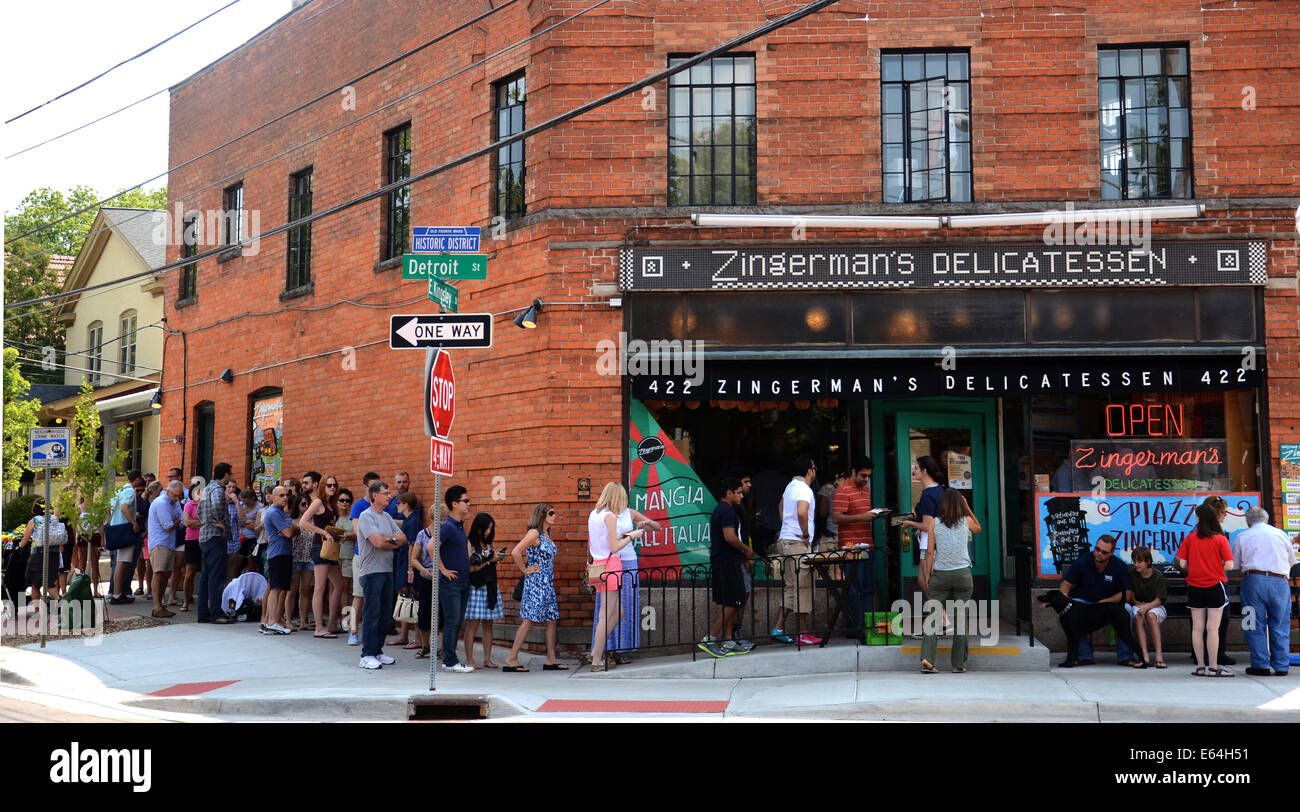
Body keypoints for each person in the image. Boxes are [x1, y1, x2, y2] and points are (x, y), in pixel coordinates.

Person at [589, 482, 661, 664]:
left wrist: (647, 523)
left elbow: (657, 527)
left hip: (620, 563)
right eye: (622, 497)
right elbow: (610, 545)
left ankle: (614, 651)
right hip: (612, 563)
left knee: (621, 609)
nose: (624, 501)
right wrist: (631, 536)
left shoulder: (619, 513)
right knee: (608, 611)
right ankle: (601, 653)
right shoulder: (608, 516)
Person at [1056, 534, 1142, 668]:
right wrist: (1063, 600)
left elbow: (1128, 594)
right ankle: (1084, 656)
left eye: (1104, 552)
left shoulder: (1119, 566)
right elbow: (1066, 584)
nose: (1098, 554)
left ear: (1112, 553)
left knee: (1128, 610)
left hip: (1109, 604)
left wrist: (1104, 602)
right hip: (1083, 602)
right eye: (1097, 549)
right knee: (1073, 613)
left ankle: (1125, 656)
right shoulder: (1083, 561)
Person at [920, 489, 981, 674]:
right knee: (961, 620)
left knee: (933, 618)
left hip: (940, 575)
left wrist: (928, 575)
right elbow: (979, 528)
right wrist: (968, 508)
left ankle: (927, 659)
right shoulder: (966, 521)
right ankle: (958, 664)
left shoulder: (934, 523)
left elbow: (929, 552)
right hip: (962, 575)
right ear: (961, 505)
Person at [1233, 506, 1296, 676]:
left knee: (1252, 623)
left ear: (1248, 521)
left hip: (1253, 582)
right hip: (1280, 582)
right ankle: (1282, 665)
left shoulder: (1242, 536)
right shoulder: (1281, 534)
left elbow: (1236, 566)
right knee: (1281, 623)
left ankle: (1260, 664)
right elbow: (1291, 561)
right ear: (1267, 519)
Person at [1176, 500, 1236, 677]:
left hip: (1194, 585)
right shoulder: (1220, 539)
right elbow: (1230, 565)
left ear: (1198, 518)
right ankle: (1214, 667)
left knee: (1197, 628)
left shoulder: (1190, 538)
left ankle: (1200, 667)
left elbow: (1182, 562)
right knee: (1212, 629)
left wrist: (1197, 567)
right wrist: (1214, 566)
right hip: (1215, 585)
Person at [504, 504, 566, 672]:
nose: (554, 516)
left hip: (548, 583)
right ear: (542, 515)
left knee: (552, 620)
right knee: (529, 619)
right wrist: (525, 570)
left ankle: (551, 659)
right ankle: (511, 658)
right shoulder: (534, 533)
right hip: (536, 583)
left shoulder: (547, 534)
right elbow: (516, 552)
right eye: (551, 513)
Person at [354, 480, 407, 670]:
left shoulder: (386, 517)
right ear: (374, 495)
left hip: (387, 570)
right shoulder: (366, 516)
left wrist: (390, 540)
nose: (389, 496)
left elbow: (403, 538)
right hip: (371, 572)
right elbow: (377, 542)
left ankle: (377, 650)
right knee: (372, 613)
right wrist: (391, 540)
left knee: (385, 615)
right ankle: (366, 654)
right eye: (385, 493)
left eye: (389, 493)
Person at [699, 477, 753, 658]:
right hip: (728, 562)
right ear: (728, 493)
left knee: (729, 601)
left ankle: (728, 640)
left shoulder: (721, 510)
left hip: (723, 562)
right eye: (738, 492)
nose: (741, 496)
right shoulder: (727, 511)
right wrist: (746, 550)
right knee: (732, 602)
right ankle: (710, 638)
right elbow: (730, 537)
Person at [771, 455, 821, 646]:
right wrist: (806, 534)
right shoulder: (804, 489)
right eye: (814, 467)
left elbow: (781, 507)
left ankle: (779, 627)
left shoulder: (790, 486)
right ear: (809, 470)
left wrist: (787, 526)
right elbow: (802, 512)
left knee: (792, 587)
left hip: (785, 540)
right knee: (803, 586)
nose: (815, 471)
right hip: (797, 542)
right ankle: (802, 632)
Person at [833, 457, 884, 638]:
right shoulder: (842, 490)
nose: (866, 479)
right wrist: (863, 517)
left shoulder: (867, 490)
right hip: (851, 548)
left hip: (867, 546)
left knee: (868, 588)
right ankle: (854, 628)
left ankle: (867, 626)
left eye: (869, 476)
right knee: (854, 589)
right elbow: (837, 518)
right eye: (863, 475)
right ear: (853, 472)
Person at [434, 486, 474, 672]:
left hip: (463, 581)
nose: (468, 504)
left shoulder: (459, 526)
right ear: (454, 504)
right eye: (465, 501)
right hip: (451, 583)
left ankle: (450, 659)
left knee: (456, 621)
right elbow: (430, 547)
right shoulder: (448, 526)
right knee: (452, 621)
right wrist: (443, 570)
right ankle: (450, 660)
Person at [463, 513, 505, 668]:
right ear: (478, 527)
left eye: (491, 529)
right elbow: (470, 568)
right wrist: (488, 561)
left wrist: (496, 558)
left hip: (490, 585)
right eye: (487, 528)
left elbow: (490, 563)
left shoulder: (489, 544)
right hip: (476, 586)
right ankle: (469, 659)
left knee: (489, 624)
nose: (488, 532)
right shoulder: (470, 544)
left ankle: (487, 659)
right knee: (473, 623)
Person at [898, 455, 944, 598]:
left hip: (928, 542)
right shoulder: (939, 490)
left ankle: (941, 616)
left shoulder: (928, 494)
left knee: (926, 581)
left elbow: (927, 525)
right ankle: (940, 614)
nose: (914, 471)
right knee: (922, 580)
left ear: (924, 471)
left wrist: (909, 523)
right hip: (938, 541)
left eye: (916, 468)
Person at [347, 472, 382, 646]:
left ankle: (372, 632)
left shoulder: (384, 506)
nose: (375, 489)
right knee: (358, 595)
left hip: (379, 557)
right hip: (362, 555)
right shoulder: (358, 506)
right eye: (372, 485)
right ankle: (353, 631)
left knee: (374, 597)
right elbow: (357, 530)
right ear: (365, 486)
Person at [198, 462, 235, 624]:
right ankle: (217, 613)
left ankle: (203, 613)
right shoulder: (218, 489)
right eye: (229, 474)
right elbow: (218, 505)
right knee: (217, 576)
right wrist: (219, 521)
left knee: (205, 576)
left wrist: (207, 521)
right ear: (225, 474)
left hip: (204, 535)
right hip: (215, 536)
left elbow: (199, 510)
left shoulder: (206, 489)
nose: (230, 477)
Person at [259, 486, 296, 635]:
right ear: (272, 497)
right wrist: (292, 529)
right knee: (275, 588)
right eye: (281, 495)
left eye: (286, 495)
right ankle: (272, 621)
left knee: (279, 588)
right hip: (278, 553)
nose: (285, 498)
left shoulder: (281, 512)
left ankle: (271, 621)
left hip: (284, 552)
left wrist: (292, 529)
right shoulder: (274, 512)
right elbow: (288, 532)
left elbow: (290, 530)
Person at [146, 481, 184, 618]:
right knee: (159, 572)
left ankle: (160, 606)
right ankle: (157, 606)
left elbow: (182, 519)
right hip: (159, 543)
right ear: (168, 491)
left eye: (179, 496)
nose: (177, 499)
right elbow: (168, 526)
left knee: (166, 574)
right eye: (175, 496)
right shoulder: (161, 503)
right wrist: (178, 521)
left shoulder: (175, 503)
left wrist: (178, 521)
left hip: (169, 543)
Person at [392, 490, 424, 648]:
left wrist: (411, 569)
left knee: (413, 599)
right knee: (404, 598)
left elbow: (413, 545)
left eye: (399, 503)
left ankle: (418, 639)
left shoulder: (413, 521)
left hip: (407, 563)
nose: (396, 506)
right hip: (402, 560)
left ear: (406, 504)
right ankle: (404, 635)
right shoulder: (407, 520)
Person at [1128, 546, 1168, 669]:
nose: (1136, 565)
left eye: (1139, 562)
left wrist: (1147, 607)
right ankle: (1144, 656)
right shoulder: (1132, 574)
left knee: (1151, 616)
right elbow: (1132, 595)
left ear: (1148, 562)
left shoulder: (1157, 575)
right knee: (1138, 616)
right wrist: (1136, 603)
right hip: (1139, 605)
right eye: (1134, 562)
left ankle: (1158, 656)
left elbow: (1159, 600)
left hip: (1155, 606)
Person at [20, 499, 66, 604]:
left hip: (38, 555)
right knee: (50, 582)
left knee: (35, 584)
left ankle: (37, 611)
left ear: (35, 508)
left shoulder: (34, 520)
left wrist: (19, 545)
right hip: (54, 554)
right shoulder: (54, 519)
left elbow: (25, 539)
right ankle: (58, 603)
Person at [106, 475, 143, 604]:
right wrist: (134, 522)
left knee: (121, 563)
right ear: (136, 482)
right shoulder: (129, 491)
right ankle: (117, 594)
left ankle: (117, 593)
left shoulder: (118, 491)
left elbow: (109, 509)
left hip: (117, 529)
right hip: (125, 529)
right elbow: (124, 508)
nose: (140, 492)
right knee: (122, 563)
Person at [285, 492, 316, 630]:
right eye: (303, 504)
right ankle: (288, 619)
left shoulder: (313, 521)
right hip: (295, 557)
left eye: (308, 504)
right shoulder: (292, 521)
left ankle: (304, 621)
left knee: (305, 590)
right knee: (292, 590)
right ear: (297, 505)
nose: (306, 506)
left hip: (309, 558)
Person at [335, 488, 359, 642]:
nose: (345, 503)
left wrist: (348, 535)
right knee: (339, 588)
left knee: (349, 589)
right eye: (342, 500)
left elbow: (357, 533)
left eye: (348, 500)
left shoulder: (353, 518)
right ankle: (342, 619)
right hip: (335, 556)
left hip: (349, 557)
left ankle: (348, 620)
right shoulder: (335, 518)